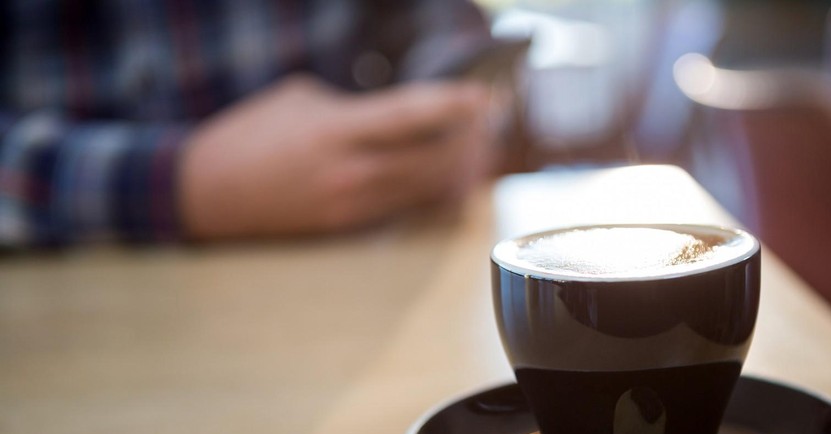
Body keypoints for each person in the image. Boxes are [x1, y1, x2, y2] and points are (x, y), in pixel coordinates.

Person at [0, 0, 500, 248]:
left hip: (358, 256)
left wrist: (446, 104)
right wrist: (183, 183)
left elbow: (438, 22)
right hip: (62, 286)